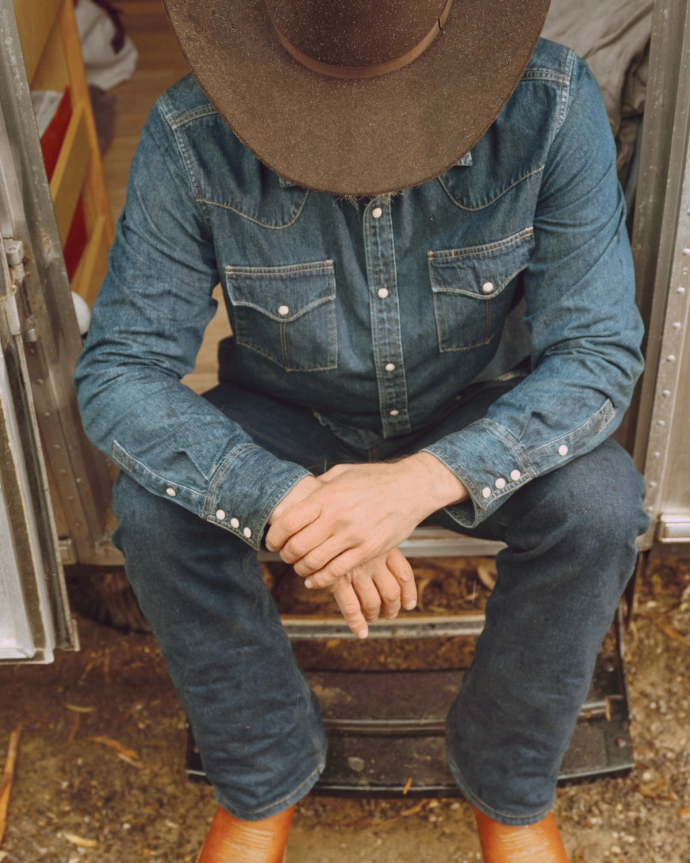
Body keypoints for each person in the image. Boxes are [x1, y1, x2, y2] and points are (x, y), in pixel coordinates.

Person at [73, 0, 649, 860]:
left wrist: (413, 485)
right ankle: (263, 772)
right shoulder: (191, 131)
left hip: (476, 405)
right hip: (287, 419)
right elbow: (119, 370)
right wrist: (289, 501)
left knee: (602, 506)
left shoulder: (553, 108)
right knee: (154, 512)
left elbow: (600, 353)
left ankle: (510, 780)